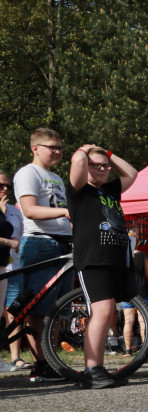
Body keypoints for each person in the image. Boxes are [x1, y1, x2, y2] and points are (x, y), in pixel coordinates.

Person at [66, 144, 139, 388]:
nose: (103, 169)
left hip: (115, 260)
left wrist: (108, 154)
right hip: (92, 259)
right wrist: (83, 150)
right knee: (103, 312)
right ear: (85, 166)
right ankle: (91, 370)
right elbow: (76, 164)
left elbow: (132, 173)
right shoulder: (79, 190)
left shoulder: (109, 190)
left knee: (108, 313)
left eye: (105, 166)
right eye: (95, 165)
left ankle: (97, 369)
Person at [11, 128, 75, 383]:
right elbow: (29, 210)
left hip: (60, 244)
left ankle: (50, 360)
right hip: (39, 244)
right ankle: (40, 365)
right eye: (52, 147)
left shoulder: (56, 177)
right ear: (35, 148)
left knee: (57, 309)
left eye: (60, 147)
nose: (58, 152)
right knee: (38, 309)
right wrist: (65, 213)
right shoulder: (28, 173)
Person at [0, 171, 23, 372]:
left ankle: (15, 357)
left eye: (8, 186)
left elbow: (21, 238)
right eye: (1, 185)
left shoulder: (15, 211)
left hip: (13, 267)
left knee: (12, 312)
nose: (5, 189)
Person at [120, 231, 148, 355]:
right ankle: (145, 349)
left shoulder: (122, 256)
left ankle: (127, 350)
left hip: (127, 290)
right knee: (143, 321)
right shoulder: (143, 255)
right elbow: (147, 273)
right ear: (137, 242)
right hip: (142, 289)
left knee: (128, 321)